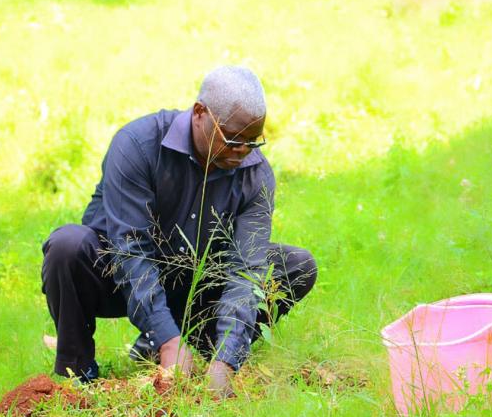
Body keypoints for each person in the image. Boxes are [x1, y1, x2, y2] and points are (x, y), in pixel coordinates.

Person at [41, 66, 317, 397]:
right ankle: (78, 373)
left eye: (252, 141)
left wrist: (226, 361)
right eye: (232, 139)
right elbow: (131, 250)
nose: (242, 151)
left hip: (191, 283)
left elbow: (246, 273)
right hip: (118, 279)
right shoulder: (137, 146)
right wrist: (167, 336)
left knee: (295, 265)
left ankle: (197, 354)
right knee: (67, 246)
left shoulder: (254, 176)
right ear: (200, 113)